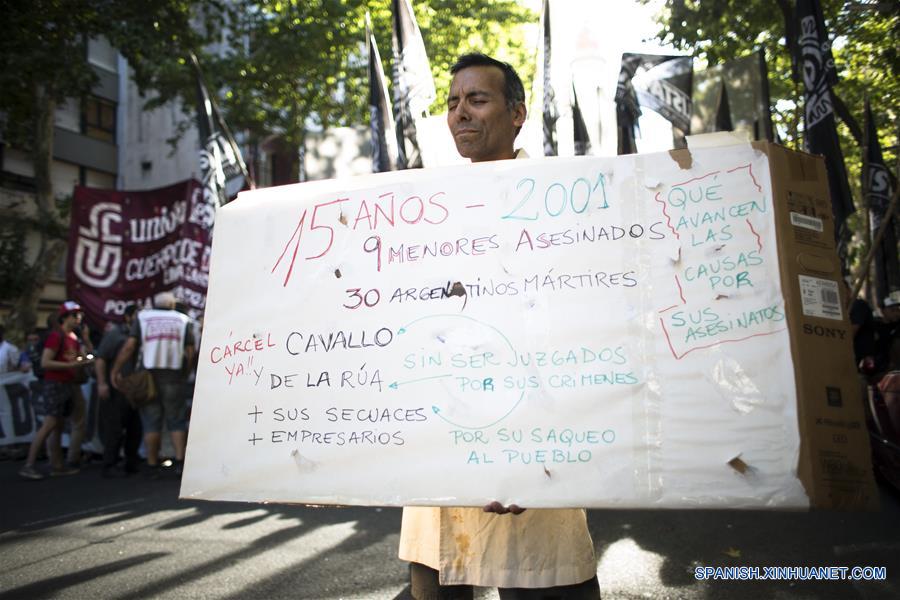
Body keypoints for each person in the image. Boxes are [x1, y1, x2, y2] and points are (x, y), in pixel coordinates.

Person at [398, 53, 600, 599]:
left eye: (477, 99)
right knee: (436, 578)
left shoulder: (566, 206)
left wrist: (527, 451)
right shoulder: (428, 211)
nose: (461, 113)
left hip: (534, 453)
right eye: (453, 102)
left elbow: (577, 335)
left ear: (517, 114)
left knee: (541, 576)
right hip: (443, 446)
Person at [110, 292, 195, 476]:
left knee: (151, 423)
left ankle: (152, 463)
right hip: (173, 376)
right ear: (172, 305)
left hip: (147, 377)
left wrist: (115, 370)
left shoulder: (143, 318)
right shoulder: (183, 320)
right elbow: (190, 351)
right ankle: (180, 463)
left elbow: (129, 346)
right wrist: (186, 373)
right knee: (176, 421)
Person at [18, 301, 95, 480]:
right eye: (75, 315)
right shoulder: (56, 336)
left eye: (80, 315)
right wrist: (71, 364)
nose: (79, 319)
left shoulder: (73, 338)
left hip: (67, 384)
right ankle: (29, 464)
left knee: (58, 426)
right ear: (65, 317)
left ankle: (57, 465)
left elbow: (83, 356)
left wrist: (85, 344)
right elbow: (46, 362)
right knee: (50, 424)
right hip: (55, 384)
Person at [95, 304, 142, 477]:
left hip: (135, 389)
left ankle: (131, 462)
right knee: (115, 427)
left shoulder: (140, 335)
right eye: (137, 316)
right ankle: (109, 464)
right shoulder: (115, 334)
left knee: (135, 428)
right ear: (128, 317)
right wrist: (102, 383)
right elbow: (100, 359)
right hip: (117, 389)